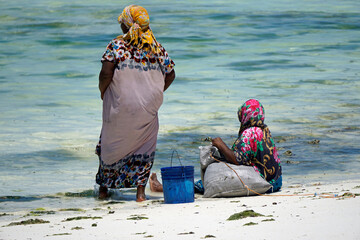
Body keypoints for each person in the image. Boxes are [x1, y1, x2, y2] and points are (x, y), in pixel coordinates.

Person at [95, 5, 175, 202]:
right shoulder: (156, 48)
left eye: (123, 21)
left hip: (120, 106)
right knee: (144, 147)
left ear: (128, 24)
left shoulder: (116, 46)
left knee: (110, 144)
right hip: (148, 109)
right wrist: (153, 93)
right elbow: (170, 74)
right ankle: (140, 194)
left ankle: (104, 191)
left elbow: (106, 73)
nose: (121, 25)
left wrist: (104, 92)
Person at [211, 99, 282, 192]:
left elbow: (237, 160)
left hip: (264, 183)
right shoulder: (265, 130)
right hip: (277, 181)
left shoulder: (250, 132)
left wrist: (220, 144)